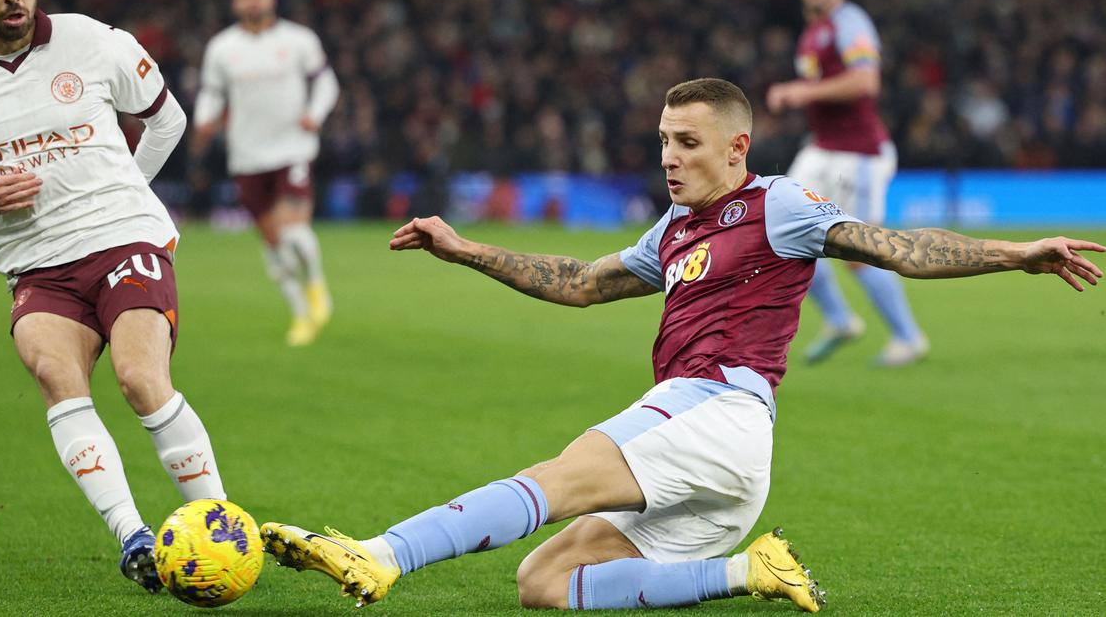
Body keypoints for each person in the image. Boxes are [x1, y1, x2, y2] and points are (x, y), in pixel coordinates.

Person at [256, 78, 1101, 612]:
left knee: (557, 478)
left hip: (717, 405)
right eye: (662, 141)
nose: (668, 156)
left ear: (737, 147)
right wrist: (467, 250)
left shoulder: (779, 205)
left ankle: (376, 555)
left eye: (686, 143)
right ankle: (750, 572)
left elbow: (892, 248)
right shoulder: (672, 229)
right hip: (725, 464)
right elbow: (583, 282)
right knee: (542, 585)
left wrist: (1014, 253)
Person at [0, 0, 227, 593]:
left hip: (123, 238)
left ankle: (219, 524)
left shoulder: (93, 42)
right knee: (58, 376)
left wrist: (126, 189)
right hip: (36, 267)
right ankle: (133, 536)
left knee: (142, 381)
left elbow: (165, 117)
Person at [766, 0, 927, 367]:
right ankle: (840, 319)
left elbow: (865, 80)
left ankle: (908, 337)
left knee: (859, 252)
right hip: (822, 149)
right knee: (782, 228)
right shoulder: (813, 31)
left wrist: (803, 92)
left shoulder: (849, 23)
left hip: (859, 154)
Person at [191, 0, 340, 346]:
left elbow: (326, 82)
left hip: (293, 148)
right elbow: (212, 93)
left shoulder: (298, 40)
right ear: (235, 4)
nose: (252, 1)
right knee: (274, 245)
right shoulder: (222, 48)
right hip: (247, 156)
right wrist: (204, 121)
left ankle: (318, 286)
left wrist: (315, 115)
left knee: (294, 230)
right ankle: (301, 315)